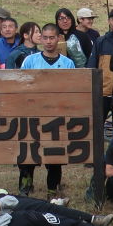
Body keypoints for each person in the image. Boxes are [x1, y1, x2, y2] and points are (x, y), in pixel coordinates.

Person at [19, 24, 76, 196]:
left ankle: (53, 189)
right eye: (45, 37)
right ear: (40, 38)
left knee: (55, 154)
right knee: (29, 152)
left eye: (52, 37)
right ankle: (25, 187)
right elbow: (21, 85)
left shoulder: (68, 63)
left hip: (57, 115)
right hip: (33, 114)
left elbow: (72, 89)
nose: (48, 41)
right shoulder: (30, 60)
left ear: (58, 38)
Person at [88, 8, 113, 119]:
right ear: (108, 21)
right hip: (103, 91)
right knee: (97, 124)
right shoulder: (100, 41)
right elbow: (92, 66)